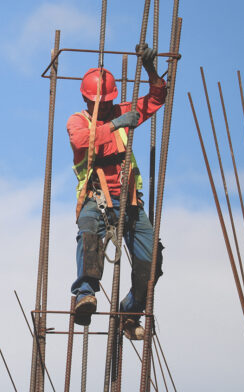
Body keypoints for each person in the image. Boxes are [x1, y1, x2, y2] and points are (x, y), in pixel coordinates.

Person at [66, 45, 166, 339]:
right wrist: (114, 124)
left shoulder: (122, 113)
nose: (108, 106)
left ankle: (129, 313)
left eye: (110, 101)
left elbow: (156, 99)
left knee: (151, 266)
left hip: (130, 202)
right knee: (88, 234)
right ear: (87, 99)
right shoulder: (78, 121)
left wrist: (150, 71)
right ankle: (85, 294)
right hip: (96, 199)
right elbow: (82, 142)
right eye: (102, 102)